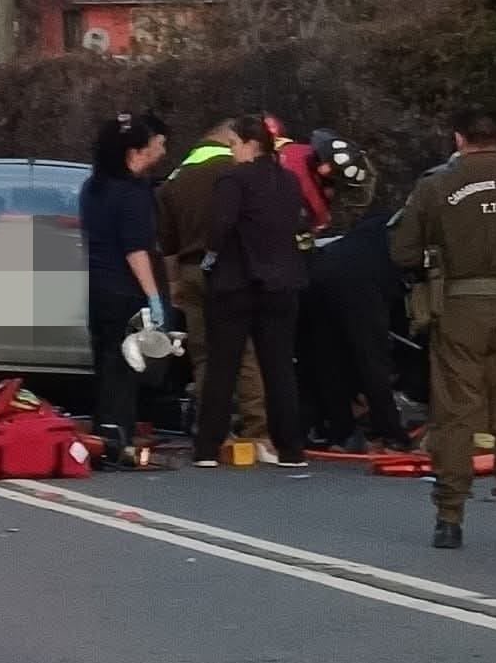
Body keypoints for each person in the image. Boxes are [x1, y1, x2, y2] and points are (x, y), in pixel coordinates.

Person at [390, 106, 496, 551]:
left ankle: (450, 519)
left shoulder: (434, 186)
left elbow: (403, 251)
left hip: (458, 307)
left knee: (455, 414)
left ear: (458, 139)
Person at [193, 114, 308, 469]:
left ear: (250, 144)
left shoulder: (233, 178)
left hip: (236, 281)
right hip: (282, 283)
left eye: (233, 145)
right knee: (279, 369)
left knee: (223, 367)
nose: (232, 152)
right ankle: (291, 449)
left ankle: (208, 448)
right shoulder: (289, 181)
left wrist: (210, 256)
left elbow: (222, 224)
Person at [157, 120, 275, 463]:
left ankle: (215, 431)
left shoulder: (175, 180)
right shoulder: (237, 171)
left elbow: (167, 246)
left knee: (205, 356)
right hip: (233, 270)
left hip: (192, 272)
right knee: (246, 354)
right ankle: (258, 433)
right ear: (229, 140)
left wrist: (175, 283)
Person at [79, 112, 168, 457]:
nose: (156, 153)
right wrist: (153, 295)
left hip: (96, 287)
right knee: (125, 366)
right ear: (133, 153)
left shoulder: (92, 188)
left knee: (104, 362)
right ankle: (119, 435)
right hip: (124, 289)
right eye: (152, 147)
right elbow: (136, 250)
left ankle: (103, 431)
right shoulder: (132, 194)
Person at [298, 206, 411, 452]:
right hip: (361, 283)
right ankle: (390, 432)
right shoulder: (407, 227)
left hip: (320, 273)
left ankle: (341, 431)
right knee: (372, 359)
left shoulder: (378, 222)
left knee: (329, 358)